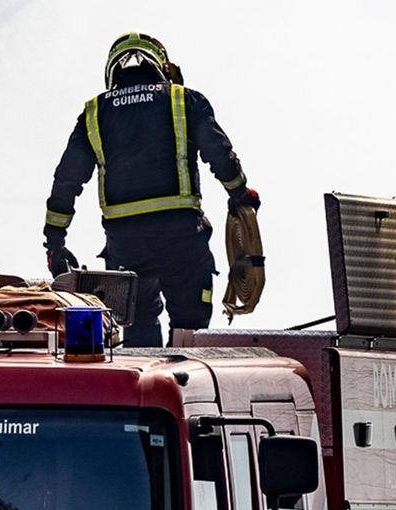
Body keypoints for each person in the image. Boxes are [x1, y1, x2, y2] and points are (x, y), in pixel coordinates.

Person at [43, 32, 259, 347]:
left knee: (138, 331)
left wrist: (55, 242)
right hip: (183, 240)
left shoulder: (94, 112)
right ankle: (185, 386)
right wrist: (240, 194)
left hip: (126, 247)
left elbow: (67, 181)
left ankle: (145, 386)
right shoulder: (185, 99)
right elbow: (220, 154)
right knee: (190, 332)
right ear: (161, 65)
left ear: (112, 70)